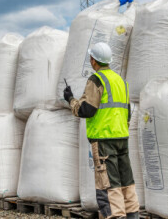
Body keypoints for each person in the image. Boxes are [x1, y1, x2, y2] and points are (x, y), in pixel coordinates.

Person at [64, 43, 138, 219]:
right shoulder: (120, 81)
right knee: (126, 183)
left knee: (108, 185)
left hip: (104, 140)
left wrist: (71, 100)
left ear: (93, 60)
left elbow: (86, 110)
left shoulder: (96, 80)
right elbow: (127, 111)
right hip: (122, 137)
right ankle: (133, 216)